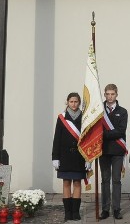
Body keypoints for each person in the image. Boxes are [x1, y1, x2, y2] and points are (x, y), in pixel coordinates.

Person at [52, 92, 89, 221]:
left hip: (80, 155)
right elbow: (57, 138)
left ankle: (75, 211)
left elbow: (88, 138)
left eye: (76, 102)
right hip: (65, 156)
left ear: (79, 103)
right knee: (66, 182)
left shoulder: (85, 117)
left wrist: (88, 157)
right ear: (67, 102)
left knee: (77, 183)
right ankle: (67, 212)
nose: (74, 104)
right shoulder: (62, 117)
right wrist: (55, 157)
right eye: (71, 101)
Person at [100, 83, 128, 220]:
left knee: (116, 180)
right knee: (105, 180)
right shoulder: (99, 110)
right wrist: (108, 133)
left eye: (113, 94)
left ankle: (116, 208)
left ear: (116, 94)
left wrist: (104, 134)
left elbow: (121, 131)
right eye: (108, 94)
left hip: (117, 151)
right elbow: (96, 131)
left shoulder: (123, 111)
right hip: (103, 151)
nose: (110, 96)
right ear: (104, 95)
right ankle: (105, 209)